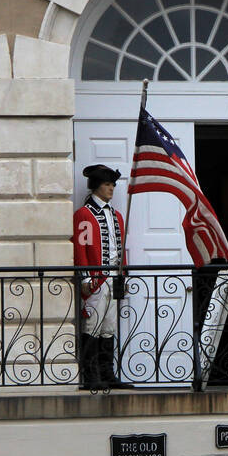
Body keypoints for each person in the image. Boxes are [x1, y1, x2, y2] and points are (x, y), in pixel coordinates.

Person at [72, 164, 132, 390]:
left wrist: (123, 276)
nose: (111, 188)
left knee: (109, 327)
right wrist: (86, 278)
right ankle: (91, 376)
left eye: (113, 184)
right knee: (92, 325)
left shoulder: (117, 216)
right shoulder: (84, 215)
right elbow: (80, 250)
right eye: (107, 184)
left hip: (114, 279)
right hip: (96, 280)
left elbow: (121, 250)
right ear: (96, 186)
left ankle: (108, 374)